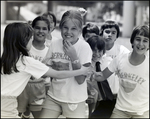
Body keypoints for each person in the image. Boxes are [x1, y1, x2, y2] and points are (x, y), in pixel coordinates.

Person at [1, 22, 91, 118]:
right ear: (24, 41)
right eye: (31, 38)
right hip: (7, 105)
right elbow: (57, 74)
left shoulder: (4, 60)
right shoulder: (26, 62)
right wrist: (82, 71)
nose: (32, 40)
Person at [39, 10, 93, 118]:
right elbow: (45, 71)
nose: (68, 32)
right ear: (60, 27)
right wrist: (45, 66)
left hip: (75, 100)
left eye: (73, 28)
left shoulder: (84, 47)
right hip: (53, 96)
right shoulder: (55, 44)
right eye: (65, 27)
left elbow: (80, 80)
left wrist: (74, 57)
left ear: (80, 31)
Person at [94, 24, 149, 118]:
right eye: (138, 39)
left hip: (142, 112)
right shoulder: (120, 59)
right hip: (121, 110)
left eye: (145, 41)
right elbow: (102, 76)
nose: (141, 44)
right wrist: (85, 71)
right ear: (132, 41)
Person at [91, 19, 130, 118]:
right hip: (98, 95)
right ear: (101, 33)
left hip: (116, 95)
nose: (110, 35)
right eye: (107, 32)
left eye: (113, 33)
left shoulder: (122, 51)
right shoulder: (95, 51)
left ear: (117, 36)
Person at [17, 16, 51, 118]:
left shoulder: (50, 51)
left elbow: (51, 73)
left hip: (41, 89)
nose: (40, 31)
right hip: (22, 88)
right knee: (18, 114)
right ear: (32, 29)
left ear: (49, 31)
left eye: (44, 28)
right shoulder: (24, 48)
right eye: (37, 28)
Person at [86, 35, 115, 117]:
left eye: (99, 51)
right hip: (91, 99)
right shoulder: (85, 65)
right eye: (93, 50)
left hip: (109, 100)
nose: (97, 54)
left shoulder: (109, 62)